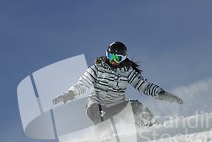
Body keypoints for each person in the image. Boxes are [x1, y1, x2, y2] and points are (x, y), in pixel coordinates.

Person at [52, 41, 183, 127]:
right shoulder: (96, 69)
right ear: (107, 55)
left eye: (118, 58)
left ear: (123, 59)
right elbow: (82, 83)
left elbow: (144, 85)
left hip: (117, 105)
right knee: (101, 113)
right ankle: (105, 136)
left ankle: (152, 126)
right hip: (96, 106)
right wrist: (69, 94)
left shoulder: (127, 72)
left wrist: (162, 94)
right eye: (111, 57)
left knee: (136, 106)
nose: (114, 61)